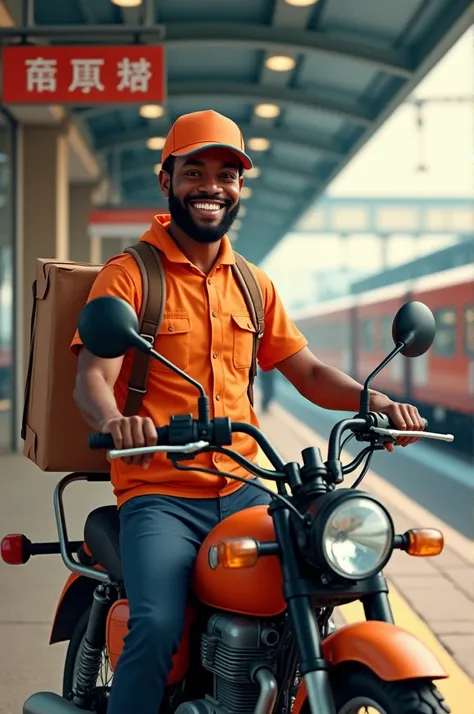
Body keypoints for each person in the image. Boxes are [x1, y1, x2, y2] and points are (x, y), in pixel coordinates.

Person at [70, 109, 425, 714]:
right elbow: (92, 380)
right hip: (161, 494)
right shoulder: (129, 276)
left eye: (227, 174)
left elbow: (307, 372)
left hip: (247, 485)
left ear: (239, 187)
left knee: (319, 583)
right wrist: (114, 422)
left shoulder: (253, 284)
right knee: (156, 625)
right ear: (167, 180)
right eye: (196, 171)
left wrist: (378, 402)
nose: (212, 186)